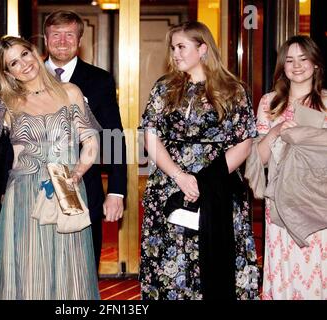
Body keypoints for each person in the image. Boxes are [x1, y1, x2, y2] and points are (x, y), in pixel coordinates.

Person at [0, 31, 100, 299]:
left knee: (69, 266)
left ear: (35, 52)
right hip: (24, 193)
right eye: (13, 63)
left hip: (66, 186)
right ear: (9, 73)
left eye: (24, 54)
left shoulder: (70, 92)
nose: (23, 64)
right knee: (28, 268)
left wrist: (75, 175)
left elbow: (91, 141)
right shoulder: (8, 102)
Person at [139, 21, 260, 300]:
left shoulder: (232, 89)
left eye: (182, 47)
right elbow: (151, 136)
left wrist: (204, 182)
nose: (175, 54)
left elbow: (244, 143)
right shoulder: (164, 88)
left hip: (217, 186)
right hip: (170, 184)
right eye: (173, 48)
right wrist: (180, 176)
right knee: (171, 263)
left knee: (215, 261)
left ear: (202, 48)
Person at [43, 10, 128, 270]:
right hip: (34, 185)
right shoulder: (26, 76)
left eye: (69, 35)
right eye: (56, 34)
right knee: (39, 263)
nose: (62, 41)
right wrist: (4, 188)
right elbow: (8, 141)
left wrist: (116, 191)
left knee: (83, 264)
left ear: (79, 40)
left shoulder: (99, 80)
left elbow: (114, 134)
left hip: (83, 184)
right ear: (45, 40)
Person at [245, 35, 327, 300]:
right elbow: (259, 158)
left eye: (304, 59)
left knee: (319, 266)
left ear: (316, 63)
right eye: (290, 60)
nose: (297, 65)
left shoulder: (326, 101)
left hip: (319, 199)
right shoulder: (270, 103)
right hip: (280, 199)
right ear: (283, 66)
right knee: (285, 267)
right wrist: (276, 131)